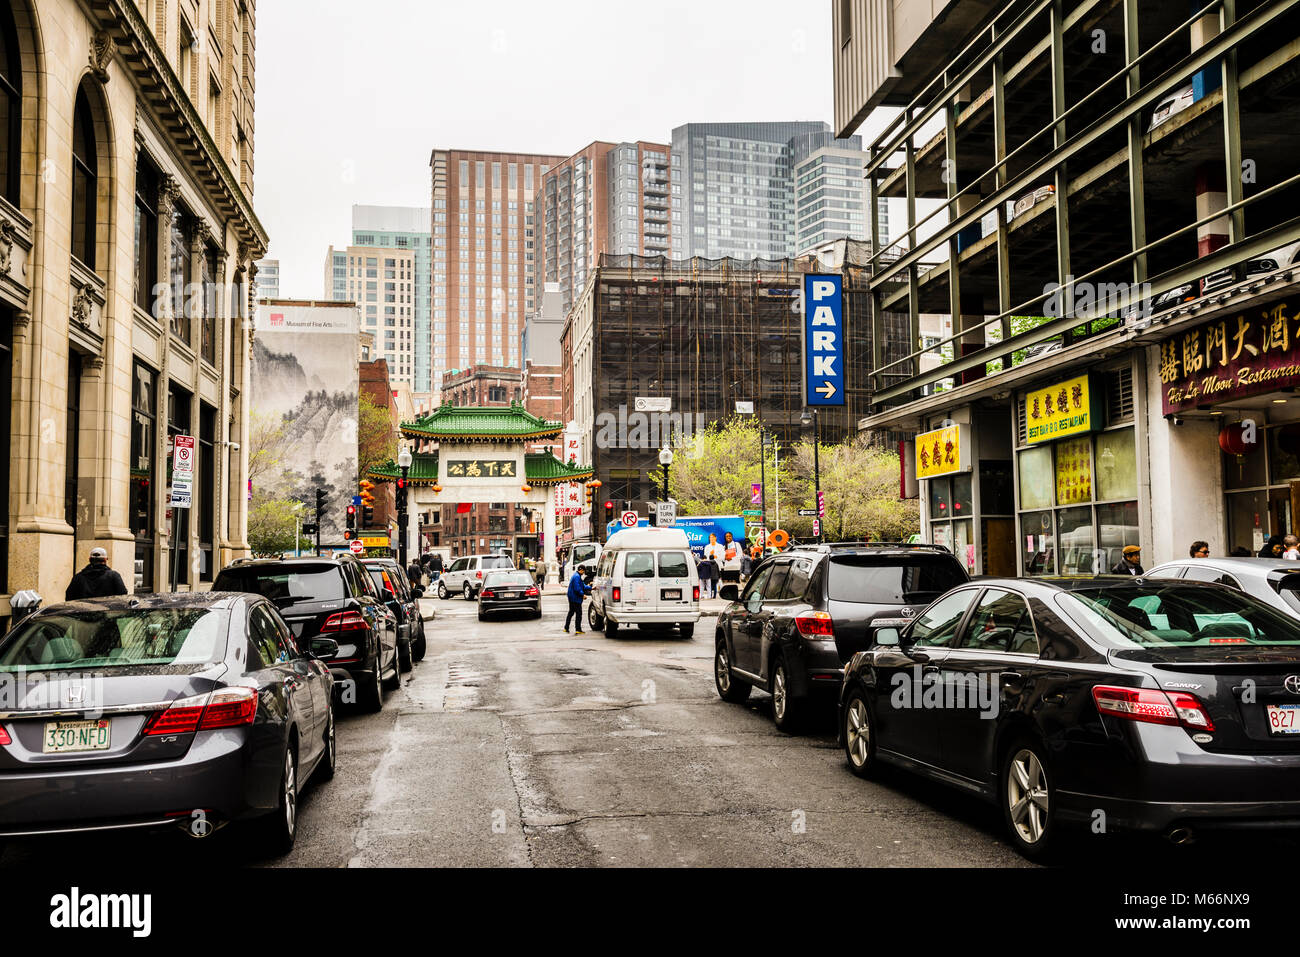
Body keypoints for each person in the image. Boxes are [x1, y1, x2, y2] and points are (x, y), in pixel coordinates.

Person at [564, 566, 591, 633]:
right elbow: (577, 588)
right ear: (581, 570)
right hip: (574, 598)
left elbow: (582, 585)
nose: (584, 572)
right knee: (579, 613)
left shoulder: (577, 576)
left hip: (572, 597)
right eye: (583, 571)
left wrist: (591, 587)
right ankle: (578, 629)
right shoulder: (577, 577)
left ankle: (566, 627)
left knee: (571, 612)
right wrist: (582, 595)